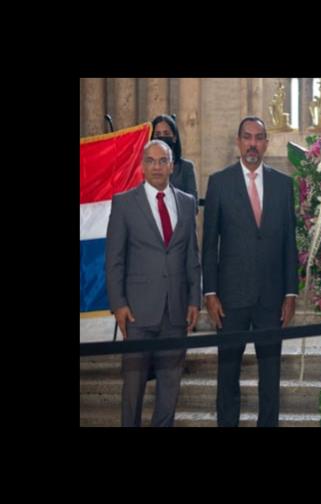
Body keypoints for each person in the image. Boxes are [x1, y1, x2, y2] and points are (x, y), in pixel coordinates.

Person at [202, 116, 298, 427]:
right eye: (247, 137)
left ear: (267, 143)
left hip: (271, 297)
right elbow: (209, 243)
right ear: (238, 142)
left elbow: (289, 243)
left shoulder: (284, 185)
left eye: (259, 137)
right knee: (227, 375)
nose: (253, 143)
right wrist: (210, 292)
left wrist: (290, 292)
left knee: (270, 378)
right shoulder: (219, 182)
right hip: (230, 298)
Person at [105, 139, 201, 427]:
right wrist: (119, 304)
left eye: (163, 161)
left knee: (169, 391)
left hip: (176, 312)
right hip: (137, 313)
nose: (157, 167)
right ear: (142, 165)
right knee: (132, 390)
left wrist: (194, 299)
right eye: (151, 160)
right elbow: (114, 260)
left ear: (172, 166)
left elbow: (191, 257)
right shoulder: (124, 203)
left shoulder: (186, 202)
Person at [151, 114, 198, 204]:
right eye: (158, 134)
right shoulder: (144, 167)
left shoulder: (186, 167)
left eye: (166, 133)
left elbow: (193, 204)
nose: (162, 137)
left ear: (174, 137)